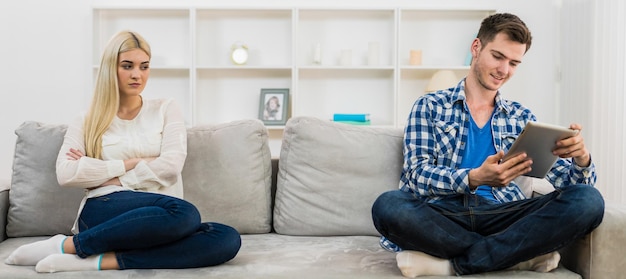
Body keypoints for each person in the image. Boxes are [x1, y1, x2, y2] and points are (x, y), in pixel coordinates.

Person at [371, 13, 604, 277]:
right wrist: (473, 178)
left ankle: (454, 263)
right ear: (476, 48)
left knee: (589, 201)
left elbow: (574, 188)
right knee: (388, 205)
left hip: (504, 216)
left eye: (514, 63)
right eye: (498, 56)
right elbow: (416, 176)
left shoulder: (521, 118)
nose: (504, 70)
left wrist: (581, 159)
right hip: (445, 215)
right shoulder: (430, 106)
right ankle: (514, 256)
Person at [5, 30, 241, 273]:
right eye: (127, 66)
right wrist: (131, 163)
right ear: (111, 68)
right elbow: (66, 174)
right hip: (105, 207)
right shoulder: (87, 120)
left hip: (160, 218)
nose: (137, 75)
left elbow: (171, 167)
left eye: (144, 66)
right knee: (186, 213)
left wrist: (113, 178)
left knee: (225, 237)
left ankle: (88, 256)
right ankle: (67, 245)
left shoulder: (166, 108)